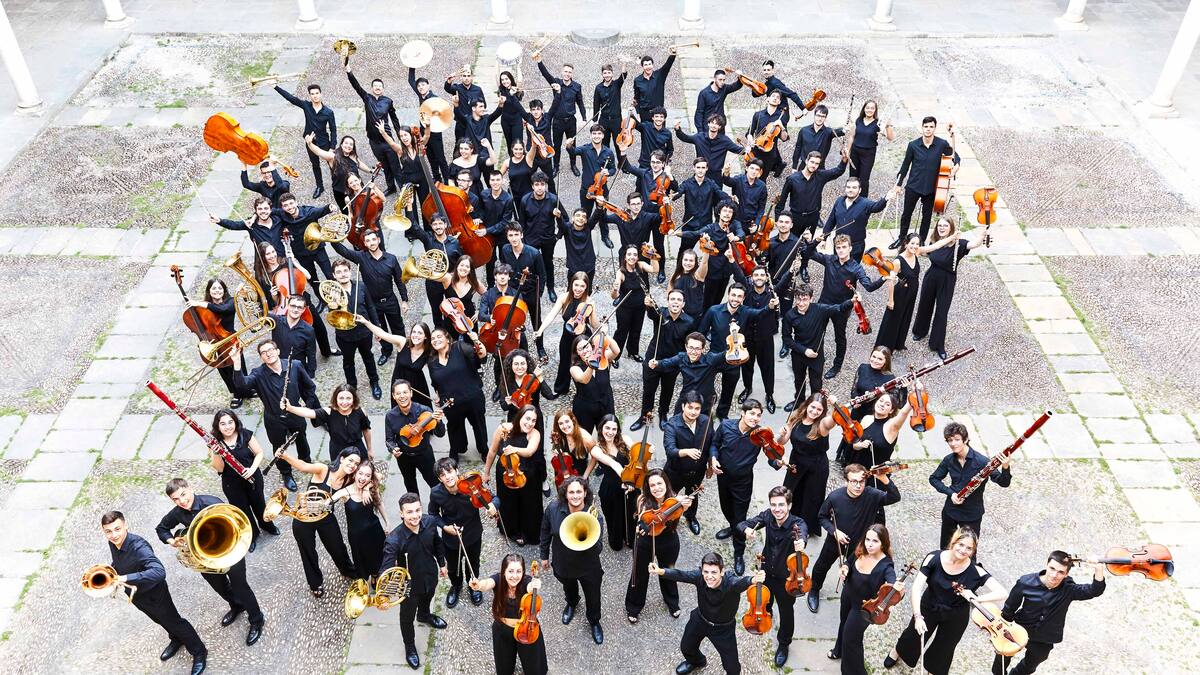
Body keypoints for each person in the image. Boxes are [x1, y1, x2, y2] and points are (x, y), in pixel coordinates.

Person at [156, 479, 263, 647]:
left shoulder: (213, 503)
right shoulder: (177, 512)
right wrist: (171, 540)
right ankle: (236, 606)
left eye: (183, 494)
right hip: (204, 557)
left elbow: (235, 524)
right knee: (220, 587)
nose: (182, 501)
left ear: (190, 488)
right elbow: (161, 528)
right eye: (176, 499)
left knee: (241, 587)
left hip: (230, 549)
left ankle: (257, 620)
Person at [886, 527, 1008, 675]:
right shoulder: (934, 558)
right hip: (929, 605)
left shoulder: (976, 570)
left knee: (945, 648)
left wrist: (976, 598)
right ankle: (897, 651)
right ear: (953, 542)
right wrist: (918, 616)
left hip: (955, 614)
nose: (963, 550)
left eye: (969, 548)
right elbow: (917, 588)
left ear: (973, 551)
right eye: (961, 544)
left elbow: (1002, 592)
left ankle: (933, 671)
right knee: (913, 634)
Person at [100, 511, 208, 675]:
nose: (113, 535)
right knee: (159, 620)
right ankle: (176, 639)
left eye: (117, 529)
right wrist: (111, 571)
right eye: (108, 531)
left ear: (125, 526)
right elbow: (120, 560)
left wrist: (125, 577)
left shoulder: (138, 546)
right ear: (103, 531)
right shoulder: (113, 542)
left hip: (155, 594)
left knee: (175, 621)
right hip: (137, 594)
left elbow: (159, 571)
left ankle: (199, 651)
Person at [807, 463, 901, 613]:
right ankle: (814, 590)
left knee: (851, 571)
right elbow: (822, 517)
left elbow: (895, 497)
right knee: (821, 567)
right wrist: (834, 531)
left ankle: (848, 594)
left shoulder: (872, 495)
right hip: (835, 541)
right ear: (846, 481)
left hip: (859, 545)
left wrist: (884, 479)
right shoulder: (835, 497)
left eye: (861, 481)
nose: (858, 486)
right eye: (854, 481)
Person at [993, 551, 1107, 675]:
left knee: (1030, 665)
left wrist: (1099, 568)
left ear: (1066, 574)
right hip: (1020, 628)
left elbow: (1094, 590)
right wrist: (1001, 632)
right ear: (1046, 565)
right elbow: (1009, 609)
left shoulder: (1069, 589)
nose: (1054, 575)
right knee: (1002, 657)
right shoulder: (1025, 582)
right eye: (1052, 568)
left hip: (1045, 638)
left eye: (1060, 572)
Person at [649, 551, 763, 675]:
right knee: (686, 647)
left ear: (722, 572)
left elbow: (743, 582)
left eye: (714, 572)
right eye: (706, 572)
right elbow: (681, 575)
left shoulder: (731, 583)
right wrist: (660, 571)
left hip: (723, 629)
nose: (709, 576)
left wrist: (753, 579)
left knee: (732, 667)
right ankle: (697, 662)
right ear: (702, 570)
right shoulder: (699, 576)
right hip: (700, 620)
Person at [231, 340, 319, 493]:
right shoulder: (258, 373)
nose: (268, 353)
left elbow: (309, 387)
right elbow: (241, 386)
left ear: (278, 351)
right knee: (278, 447)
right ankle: (286, 474)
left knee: (301, 438)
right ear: (261, 358)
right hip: (274, 419)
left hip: (295, 413)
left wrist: (307, 406)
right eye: (264, 352)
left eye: (271, 349)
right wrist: (237, 362)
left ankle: (306, 462)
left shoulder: (295, 365)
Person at [274, 447, 360, 596]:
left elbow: (372, 477)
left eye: (356, 463)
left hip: (325, 516)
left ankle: (348, 571)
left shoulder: (349, 479)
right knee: (308, 552)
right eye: (350, 460)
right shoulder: (323, 469)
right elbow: (303, 466)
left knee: (338, 547)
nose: (353, 465)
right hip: (304, 516)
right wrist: (285, 456)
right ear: (341, 459)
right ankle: (315, 583)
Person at [739, 485, 808, 667]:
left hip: (787, 579)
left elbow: (802, 534)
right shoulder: (768, 516)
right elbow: (741, 524)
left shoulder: (797, 524)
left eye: (781, 505)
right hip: (766, 571)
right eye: (773, 505)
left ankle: (784, 644)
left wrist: (801, 542)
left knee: (786, 612)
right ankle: (764, 618)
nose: (777, 509)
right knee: (764, 602)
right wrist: (747, 530)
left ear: (789, 506)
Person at [381, 493, 448, 669]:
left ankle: (424, 615)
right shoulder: (394, 540)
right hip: (409, 587)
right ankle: (409, 646)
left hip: (430, 575)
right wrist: (385, 595)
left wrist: (442, 563)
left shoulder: (430, 523)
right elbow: (385, 571)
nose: (415, 516)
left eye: (418, 510)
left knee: (428, 597)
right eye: (409, 512)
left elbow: (437, 543)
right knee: (406, 618)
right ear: (401, 513)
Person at [807, 234, 887, 379]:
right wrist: (814, 241)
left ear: (850, 248)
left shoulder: (856, 268)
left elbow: (868, 286)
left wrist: (883, 278)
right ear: (835, 249)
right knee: (818, 332)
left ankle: (837, 366)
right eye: (838, 248)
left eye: (844, 247)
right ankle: (817, 358)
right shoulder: (829, 260)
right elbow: (808, 253)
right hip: (824, 303)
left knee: (840, 337)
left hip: (842, 308)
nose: (841, 250)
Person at [911, 215, 990, 360]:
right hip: (932, 275)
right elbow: (923, 251)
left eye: (945, 226)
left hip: (947, 279)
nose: (941, 228)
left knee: (942, 312)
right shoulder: (936, 241)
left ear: (951, 228)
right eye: (939, 225)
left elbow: (974, 244)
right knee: (925, 304)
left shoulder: (959, 243)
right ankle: (920, 331)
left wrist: (982, 232)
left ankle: (937, 344)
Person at [540, 475, 606, 645]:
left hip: (588, 566)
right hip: (563, 563)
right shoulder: (553, 509)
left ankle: (594, 621)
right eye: (571, 492)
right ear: (565, 494)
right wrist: (544, 556)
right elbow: (545, 531)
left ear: (585, 493)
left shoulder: (594, 516)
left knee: (593, 596)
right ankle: (572, 603)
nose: (575, 496)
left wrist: (589, 535)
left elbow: (598, 548)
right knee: (568, 587)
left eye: (579, 491)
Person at [698, 282, 778, 419]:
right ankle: (704, 415)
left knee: (728, 391)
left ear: (743, 298)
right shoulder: (713, 311)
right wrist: (700, 353)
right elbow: (701, 332)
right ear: (728, 295)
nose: (735, 299)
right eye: (733, 295)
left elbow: (760, 314)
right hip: (715, 355)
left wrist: (770, 307)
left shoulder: (745, 312)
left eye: (739, 296)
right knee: (706, 388)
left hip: (734, 358)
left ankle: (722, 414)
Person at [708, 399, 768, 575]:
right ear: (743, 412)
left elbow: (772, 455)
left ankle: (739, 553)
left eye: (758, 415)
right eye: (752, 413)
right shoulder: (726, 426)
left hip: (743, 482)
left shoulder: (761, 435)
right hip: (723, 477)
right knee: (726, 508)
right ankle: (733, 527)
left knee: (740, 517)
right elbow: (714, 444)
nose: (755, 418)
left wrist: (778, 460)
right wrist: (713, 458)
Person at [332, 229, 408, 366]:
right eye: (368, 241)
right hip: (373, 303)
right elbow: (342, 251)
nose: (371, 243)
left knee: (398, 327)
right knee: (380, 329)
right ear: (365, 244)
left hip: (390, 301)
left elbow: (399, 280)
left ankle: (404, 351)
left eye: (373, 239)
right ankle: (386, 351)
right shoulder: (361, 257)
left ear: (379, 240)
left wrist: (404, 300)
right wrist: (331, 237)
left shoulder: (391, 258)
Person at [830, 524, 899, 673]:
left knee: (852, 640)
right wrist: (845, 569)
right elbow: (848, 562)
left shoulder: (886, 565)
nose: (869, 544)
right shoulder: (861, 550)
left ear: (883, 544)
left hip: (863, 608)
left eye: (875, 541)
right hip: (847, 595)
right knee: (843, 623)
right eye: (867, 539)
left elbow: (892, 584)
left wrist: (896, 588)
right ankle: (838, 650)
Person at [430, 457, 498, 608]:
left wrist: (493, 505)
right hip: (451, 539)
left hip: (473, 534)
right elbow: (432, 514)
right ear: (440, 479)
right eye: (443, 475)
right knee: (453, 567)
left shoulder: (471, 486)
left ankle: (473, 586)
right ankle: (456, 586)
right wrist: (445, 527)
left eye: (450, 472)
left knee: (473, 564)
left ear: (457, 471)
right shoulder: (436, 493)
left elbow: (494, 498)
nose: (448, 477)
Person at [930, 421, 1011, 547]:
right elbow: (934, 479)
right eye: (950, 440)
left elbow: (1003, 483)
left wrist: (1005, 466)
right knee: (945, 547)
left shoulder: (982, 461)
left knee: (968, 551)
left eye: (957, 439)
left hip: (971, 514)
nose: (953, 444)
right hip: (950, 510)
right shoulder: (949, 460)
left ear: (966, 439)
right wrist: (951, 493)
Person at [625, 469, 692, 623]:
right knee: (640, 573)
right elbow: (643, 519)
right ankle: (633, 606)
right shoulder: (643, 499)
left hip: (669, 538)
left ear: (666, 483)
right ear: (648, 487)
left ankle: (672, 601)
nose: (657, 488)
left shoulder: (674, 499)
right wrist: (649, 522)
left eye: (659, 483)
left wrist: (684, 506)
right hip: (646, 538)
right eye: (652, 485)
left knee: (668, 571)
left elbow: (676, 517)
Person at [469, 553, 549, 675]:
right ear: (504, 571)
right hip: (503, 629)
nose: (515, 576)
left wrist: (535, 585)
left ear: (523, 572)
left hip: (527, 629)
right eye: (510, 571)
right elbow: (486, 584)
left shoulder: (526, 581)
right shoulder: (498, 579)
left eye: (519, 571)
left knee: (535, 667)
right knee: (504, 667)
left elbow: (530, 586)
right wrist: (478, 585)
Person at [208, 409, 278, 546]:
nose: (227, 427)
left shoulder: (245, 434)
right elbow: (219, 468)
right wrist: (216, 453)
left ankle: (267, 526)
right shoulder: (215, 443)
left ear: (235, 422)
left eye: (230, 422)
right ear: (217, 426)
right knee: (242, 511)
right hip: (232, 484)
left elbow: (259, 453)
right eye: (223, 424)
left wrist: (252, 469)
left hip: (253, 478)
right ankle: (252, 535)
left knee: (259, 504)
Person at [844, 392, 914, 525]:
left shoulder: (892, 426)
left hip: (876, 475)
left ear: (891, 410)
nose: (882, 405)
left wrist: (913, 396)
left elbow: (903, 414)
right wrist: (858, 445)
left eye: (887, 404)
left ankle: (876, 537)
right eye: (881, 401)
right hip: (858, 470)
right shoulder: (866, 419)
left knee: (873, 510)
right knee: (852, 502)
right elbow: (855, 445)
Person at [781, 284, 855, 408]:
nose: (801, 303)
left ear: (811, 298)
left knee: (816, 383)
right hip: (799, 354)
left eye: (804, 299)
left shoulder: (820, 309)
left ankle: (815, 405)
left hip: (816, 355)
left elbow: (839, 308)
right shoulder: (789, 315)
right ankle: (799, 401)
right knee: (799, 380)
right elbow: (787, 339)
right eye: (798, 299)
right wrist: (804, 351)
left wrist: (852, 301)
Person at [778, 150, 847, 282]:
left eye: (817, 163)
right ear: (806, 161)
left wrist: (844, 160)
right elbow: (781, 203)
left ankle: (803, 267)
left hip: (812, 218)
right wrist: (779, 221)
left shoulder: (820, 176)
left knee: (808, 245)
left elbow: (837, 171)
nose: (814, 165)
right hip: (795, 217)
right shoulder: (792, 179)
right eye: (812, 162)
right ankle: (788, 269)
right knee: (790, 243)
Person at [892, 116, 959, 248]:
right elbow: (905, 166)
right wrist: (899, 185)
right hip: (913, 186)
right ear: (922, 128)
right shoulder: (913, 145)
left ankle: (921, 241)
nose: (928, 129)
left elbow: (954, 156)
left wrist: (956, 166)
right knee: (906, 214)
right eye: (926, 127)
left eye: (931, 127)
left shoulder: (942, 144)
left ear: (935, 128)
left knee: (926, 217)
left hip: (931, 188)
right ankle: (902, 239)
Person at [483, 405, 545, 546]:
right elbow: (492, 452)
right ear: (520, 417)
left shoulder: (534, 433)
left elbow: (529, 452)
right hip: (506, 471)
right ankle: (512, 531)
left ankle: (529, 531)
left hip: (528, 473)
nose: (530, 423)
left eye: (533, 421)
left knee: (530, 503)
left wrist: (513, 449)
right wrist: (486, 472)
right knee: (508, 502)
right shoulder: (503, 429)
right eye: (527, 418)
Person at [729, 263, 787, 413]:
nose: (759, 278)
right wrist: (731, 260)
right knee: (746, 366)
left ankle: (769, 395)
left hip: (765, 338)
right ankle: (748, 388)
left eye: (762, 275)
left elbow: (785, 281)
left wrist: (794, 268)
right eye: (756, 275)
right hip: (747, 337)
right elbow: (739, 275)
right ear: (752, 278)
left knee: (768, 369)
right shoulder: (746, 291)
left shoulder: (772, 293)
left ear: (766, 277)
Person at [428, 328, 490, 462]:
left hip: (472, 397)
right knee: (454, 427)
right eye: (433, 339)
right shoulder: (432, 361)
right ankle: (456, 450)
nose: (435, 340)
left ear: (447, 338)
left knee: (479, 425)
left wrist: (476, 339)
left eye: (439, 336)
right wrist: (438, 396)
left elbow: (482, 355)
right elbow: (436, 382)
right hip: (451, 403)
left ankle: (484, 450)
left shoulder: (460, 348)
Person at [778, 393, 837, 533]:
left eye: (819, 410)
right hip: (796, 462)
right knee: (791, 492)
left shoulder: (822, 423)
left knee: (811, 498)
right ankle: (788, 519)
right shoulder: (796, 416)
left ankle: (805, 528)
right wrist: (781, 434)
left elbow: (834, 419)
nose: (815, 412)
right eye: (813, 407)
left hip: (816, 466)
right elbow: (782, 442)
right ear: (807, 405)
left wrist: (835, 405)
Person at [188, 277, 251, 407]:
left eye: (220, 288)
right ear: (209, 291)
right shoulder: (202, 308)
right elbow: (199, 326)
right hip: (213, 341)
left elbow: (222, 310)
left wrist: (201, 304)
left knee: (238, 365)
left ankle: (246, 389)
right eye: (214, 288)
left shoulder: (230, 301)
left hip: (229, 339)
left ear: (224, 290)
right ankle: (236, 393)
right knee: (223, 369)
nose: (217, 291)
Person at [326, 258, 382, 399]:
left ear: (350, 272)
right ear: (334, 275)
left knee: (368, 357)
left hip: (364, 332)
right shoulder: (332, 292)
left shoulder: (361, 286)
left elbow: (370, 307)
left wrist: (377, 328)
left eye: (345, 271)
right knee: (348, 362)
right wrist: (331, 306)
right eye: (339, 272)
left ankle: (374, 382)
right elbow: (332, 317)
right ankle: (352, 387)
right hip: (345, 336)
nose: (343, 274)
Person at [638, 289, 695, 426]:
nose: (675, 302)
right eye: (672, 299)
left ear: (683, 304)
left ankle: (663, 414)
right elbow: (651, 313)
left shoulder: (689, 322)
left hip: (672, 363)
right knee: (648, 390)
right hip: (653, 359)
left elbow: (689, 343)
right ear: (668, 302)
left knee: (667, 390)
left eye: (679, 300)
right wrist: (648, 305)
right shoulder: (660, 313)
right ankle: (645, 416)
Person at [584, 415, 638, 552]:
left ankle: (631, 539)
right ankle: (616, 540)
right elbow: (613, 464)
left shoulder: (625, 439)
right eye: (607, 428)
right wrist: (626, 480)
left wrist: (646, 450)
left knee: (632, 513)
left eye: (614, 429)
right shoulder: (596, 449)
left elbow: (638, 455)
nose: (610, 432)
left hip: (631, 484)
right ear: (601, 428)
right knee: (615, 516)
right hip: (611, 487)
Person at [346, 64, 403, 193]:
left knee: (395, 166)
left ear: (383, 89)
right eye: (375, 86)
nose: (377, 88)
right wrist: (349, 71)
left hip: (387, 140)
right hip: (374, 142)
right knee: (385, 166)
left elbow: (394, 118)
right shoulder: (367, 98)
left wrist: (399, 136)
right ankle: (391, 187)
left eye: (380, 86)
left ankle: (403, 189)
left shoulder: (388, 101)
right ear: (372, 88)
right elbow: (356, 86)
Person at [649, 332, 739, 413]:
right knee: (676, 420)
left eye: (697, 349)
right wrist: (657, 363)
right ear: (686, 347)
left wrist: (734, 336)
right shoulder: (681, 357)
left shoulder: (711, 359)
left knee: (703, 426)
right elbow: (667, 362)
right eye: (691, 348)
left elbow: (725, 354)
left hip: (705, 399)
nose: (693, 352)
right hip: (686, 396)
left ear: (703, 349)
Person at [275, 82, 336, 198]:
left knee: (332, 163)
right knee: (315, 164)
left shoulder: (328, 112)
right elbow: (291, 98)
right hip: (310, 142)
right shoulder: (306, 106)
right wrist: (275, 86)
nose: (315, 96)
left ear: (321, 94)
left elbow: (333, 130)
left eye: (317, 93)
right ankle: (320, 186)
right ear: (310, 96)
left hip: (324, 142)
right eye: (312, 94)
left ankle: (336, 184)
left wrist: (332, 147)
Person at [663, 391, 711, 535]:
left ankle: (690, 517)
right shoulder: (672, 424)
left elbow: (711, 443)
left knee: (692, 495)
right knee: (670, 496)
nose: (693, 412)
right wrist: (686, 452)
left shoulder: (706, 421)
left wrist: (710, 463)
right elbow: (670, 450)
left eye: (697, 408)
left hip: (697, 471)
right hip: (675, 471)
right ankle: (668, 518)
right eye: (690, 407)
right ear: (683, 406)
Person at [330, 461, 387, 584]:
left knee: (376, 556)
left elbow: (379, 502)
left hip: (374, 530)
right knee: (360, 560)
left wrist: (387, 522)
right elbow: (328, 502)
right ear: (355, 473)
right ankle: (363, 582)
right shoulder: (345, 492)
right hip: (356, 536)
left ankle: (375, 575)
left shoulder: (371, 487)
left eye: (367, 475)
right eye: (360, 473)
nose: (362, 478)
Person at [384, 379, 443, 494]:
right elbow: (389, 440)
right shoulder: (390, 416)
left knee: (435, 484)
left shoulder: (424, 411)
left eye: (405, 392)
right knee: (410, 485)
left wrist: (439, 422)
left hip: (424, 454)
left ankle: (440, 507)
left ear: (411, 393)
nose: (402, 396)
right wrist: (393, 449)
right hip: (404, 458)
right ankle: (415, 508)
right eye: (398, 393)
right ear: (394, 396)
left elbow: (440, 434)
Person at [285, 383, 372, 461]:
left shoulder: (360, 412)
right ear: (336, 399)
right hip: (338, 451)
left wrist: (369, 449)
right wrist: (290, 408)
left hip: (357, 449)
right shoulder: (329, 412)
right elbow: (309, 412)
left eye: (348, 398)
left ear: (353, 399)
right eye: (341, 398)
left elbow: (366, 430)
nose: (344, 402)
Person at [497, 223, 548, 357]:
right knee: (513, 320)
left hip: (531, 292)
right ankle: (514, 345)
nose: (514, 238)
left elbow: (542, 275)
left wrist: (539, 294)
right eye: (510, 235)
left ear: (521, 235)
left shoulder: (534, 253)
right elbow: (504, 268)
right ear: (507, 237)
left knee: (536, 320)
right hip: (514, 292)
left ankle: (540, 348)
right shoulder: (505, 250)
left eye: (516, 235)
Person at [533, 53, 587, 174]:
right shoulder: (556, 83)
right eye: (565, 71)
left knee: (572, 145)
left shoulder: (577, 87)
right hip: (557, 121)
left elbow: (580, 102)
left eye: (569, 72)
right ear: (562, 72)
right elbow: (545, 74)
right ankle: (556, 166)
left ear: (572, 74)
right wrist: (539, 61)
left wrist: (584, 117)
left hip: (571, 121)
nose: (567, 74)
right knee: (556, 146)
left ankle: (573, 165)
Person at [823, 180, 899, 264]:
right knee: (838, 267)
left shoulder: (865, 203)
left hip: (856, 246)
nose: (850, 190)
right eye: (848, 187)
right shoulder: (839, 201)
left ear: (859, 190)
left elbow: (876, 207)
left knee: (852, 273)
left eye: (854, 187)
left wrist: (886, 198)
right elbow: (831, 220)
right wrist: (824, 238)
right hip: (839, 245)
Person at [361, 319, 433, 407]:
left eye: (420, 333)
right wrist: (366, 322)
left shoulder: (428, 351)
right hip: (399, 383)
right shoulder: (402, 342)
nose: (416, 335)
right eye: (414, 332)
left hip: (417, 385)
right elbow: (382, 334)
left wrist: (438, 393)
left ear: (426, 336)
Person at [517, 175, 563, 305]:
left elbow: (564, 220)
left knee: (548, 263)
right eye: (537, 184)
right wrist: (523, 240)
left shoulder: (553, 200)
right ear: (532, 186)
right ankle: (532, 289)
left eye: (542, 184)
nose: (539, 187)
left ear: (546, 185)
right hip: (531, 239)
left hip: (548, 239)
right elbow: (522, 222)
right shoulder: (525, 200)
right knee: (531, 265)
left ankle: (551, 288)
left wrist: (557, 236)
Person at [611, 244, 659, 364]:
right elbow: (614, 296)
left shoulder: (641, 266)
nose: (632, 257)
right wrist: (615, 289)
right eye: (629, 254)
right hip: (625, 308)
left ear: (637, 257)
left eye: (635, 254)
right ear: (625, 257)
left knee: (636, 330)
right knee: (622, 332)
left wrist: (652, 254)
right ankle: (615, 355)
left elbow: (655, 269)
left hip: (640, 306)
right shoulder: (620, 272)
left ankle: (633, 352)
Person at [875, 233, 922, 352]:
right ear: (906, 243)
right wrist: (891, 300)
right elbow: (891, 281)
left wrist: (951, 238)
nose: (915, 246)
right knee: (893, 320)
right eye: (912, 243)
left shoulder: (916, 253)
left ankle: (898, 343)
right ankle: (886, 348)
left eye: (917, 244)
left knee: (905, 317)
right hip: (901, 294)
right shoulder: (898, 261)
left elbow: (933, 247)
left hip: (912, 293)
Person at [304, 134, 374, 211]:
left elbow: (359, 163)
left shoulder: (352, 155)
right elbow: (319, 152)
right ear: (341, 144)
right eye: (346, 143)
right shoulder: (333, 156)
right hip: (341, 192)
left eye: (351, 144)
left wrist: (370, 171)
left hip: (355, 187)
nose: (348, 146)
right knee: (348, 211)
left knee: (362, 207)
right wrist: (310, 144)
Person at [406, 67, 450, 183]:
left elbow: (443, 113)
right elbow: (411, 80)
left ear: (428, 85)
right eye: (419, 86)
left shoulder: (435, 98)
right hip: (423, 132)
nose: (421, 87)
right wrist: (412, 65)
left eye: (423, 85)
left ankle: (447, 180)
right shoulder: (421, 96)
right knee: (430, 157)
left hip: (435, 132)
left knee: (440, 158)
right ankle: (437, 178)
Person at [570, 333, 619, 433]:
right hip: (585, 407)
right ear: (577, 352)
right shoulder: (574, 368)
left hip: (606, 402)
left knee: (608, 433)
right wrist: (591, 364)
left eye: (586, 346)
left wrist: (605, 335)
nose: (585, 350)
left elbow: (616, 351)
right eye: (581, 349)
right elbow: (584, 379)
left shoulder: (603, 357)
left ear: (592, 346)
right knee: (584, 437)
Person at [565, 125, 616, 218]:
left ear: (603, 136)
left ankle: (604, 233)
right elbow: (573, 151)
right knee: (585, 215)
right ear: (591, 135)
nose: (596, 136)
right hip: (586, 189)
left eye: (599, 133)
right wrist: (569, 145)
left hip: (602, 190)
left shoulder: (608, 152)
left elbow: (613, 169)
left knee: (602, 216)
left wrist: (608, 172)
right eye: (594, 133)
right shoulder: (585, 149)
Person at [674, 117, 745, 184]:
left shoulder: (725, 141)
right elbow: (685, 138)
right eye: (712, 123)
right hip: (701, 173)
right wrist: (677, 129)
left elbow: (739, 150)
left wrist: (750, 148)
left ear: (719, 127)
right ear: (708, 124)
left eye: (716, 124)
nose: (714, 125)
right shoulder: (699, 137)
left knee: (716, 196)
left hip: (716, 176)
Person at [848, 99, 895, 196]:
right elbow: (852, 136)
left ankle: (863, 202)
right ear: (864, 109)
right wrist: (848, 151)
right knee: (853, 177)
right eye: (867, 108)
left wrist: (888, 125)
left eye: (872, 108)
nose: (870, 110)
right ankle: (851, 197)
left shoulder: (878, 123)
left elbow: (890, 138)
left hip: (868, 154)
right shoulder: (858, 120)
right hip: (855, 152)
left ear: (875, 110)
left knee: (864, 179)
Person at [437, 253, 486, 334]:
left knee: (470, 343)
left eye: (467, 267)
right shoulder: (448, 278)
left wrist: (480, 311)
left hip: (468, 318)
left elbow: (487, 296)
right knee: (451, 343)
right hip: (451, 317)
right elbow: (432, 276)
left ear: (470, 270)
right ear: (457, 266)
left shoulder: (474, 282)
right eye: (462, 265)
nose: (464, 268)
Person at [272, 294, 319, 376]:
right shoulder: (276, 321)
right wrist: (246, 297)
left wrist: (310, 376)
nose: (296, 309)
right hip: (276, 368)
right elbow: (260, 314)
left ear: (304, 309)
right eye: (293, 306)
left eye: (299, 307)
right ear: (287, 306)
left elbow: (311, 355)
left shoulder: (308, 330)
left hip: (297, 371)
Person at [744, 91, 789, 178]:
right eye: (773, 96)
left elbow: (784, 138)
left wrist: (782, 127)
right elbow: (749, 132)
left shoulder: (781, 117)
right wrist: (750, 139)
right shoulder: (758, 115)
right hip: (756, 150)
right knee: (748, 177)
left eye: (777, 97)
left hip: (770, 153)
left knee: (762, 179)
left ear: (779, 102)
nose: (775, 98)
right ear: (768, 99)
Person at [550, 409, 596, 490]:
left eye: (567, 421)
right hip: (563, 474)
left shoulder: (585, 438)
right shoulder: (558, 434)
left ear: (573, 420)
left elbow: (595, 457)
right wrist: (556, 454)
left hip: (579, 474)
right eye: (561, 423)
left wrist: (585, 476)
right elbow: (555, 451)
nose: (564, 426)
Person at [791, 104, 846, 171]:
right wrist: (794, 166)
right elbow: (798, 148)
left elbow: (838, 132)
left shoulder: (828, 132)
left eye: (823, 116)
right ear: (814, 115)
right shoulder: (804, 130)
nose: (820, 119)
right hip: (804, 167)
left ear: (826, 118)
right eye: (818, 115)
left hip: (819, 168)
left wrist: (845, 129)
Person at [445, 65, 486, 145]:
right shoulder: (457, 88)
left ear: (472, 77)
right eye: (464, 76)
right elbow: (447, 88)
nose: (466, 78)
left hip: (474, 123)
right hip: (461, 123)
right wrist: (449, 81)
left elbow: (484, 105)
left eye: (468, 76)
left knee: (474, 145)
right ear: (461, 77)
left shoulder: (477, 90)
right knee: (459, 145)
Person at [631, 49, 677, 122]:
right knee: (646, 133)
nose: (648, 67)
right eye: (645, 65)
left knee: (660, 133)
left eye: (650, 64)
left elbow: (667, 65)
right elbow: (637, 98)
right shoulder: (637, 80)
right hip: (645, 114)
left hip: (658, 114)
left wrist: (673, 53)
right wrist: (638, 114)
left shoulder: (660, 75)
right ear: (642, 66)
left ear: (652, 65)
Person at [593, 61, 628, 151]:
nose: (607, 75)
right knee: (604, 146)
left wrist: (624, 64)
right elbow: (596, 104)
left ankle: (621, 165)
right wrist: (595, 120)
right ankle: (606, 165)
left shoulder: (617, 84)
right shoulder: (598, 88)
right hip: (604, 121)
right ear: (602, 74)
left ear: (612, 74)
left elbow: (623, 75)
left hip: (616, 121)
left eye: (609, 72)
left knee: (619, 144)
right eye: (605, 73)